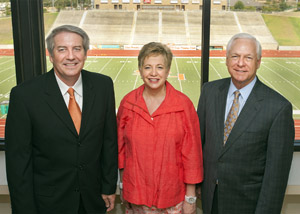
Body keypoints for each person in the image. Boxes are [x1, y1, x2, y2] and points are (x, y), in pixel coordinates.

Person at [5, 25, 118, 214]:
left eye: (77, 48)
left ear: (85, 53)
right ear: (50, 54)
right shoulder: (25, 95)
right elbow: (18, 164)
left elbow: (109, 141)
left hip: (93, 200)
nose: (71, 56)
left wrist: (108, 186)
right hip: (48, 205)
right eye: (62, 49)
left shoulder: (103, 86)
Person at [197, 33, 295, 214]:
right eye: (235, 56)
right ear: (226, 60)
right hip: (210, 199)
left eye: (248, 58)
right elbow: (198, 145)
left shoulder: (278, 108)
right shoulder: (209, 92)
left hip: (248, 205)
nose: (240, 63)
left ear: (258, 62)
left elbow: (276, 178)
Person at [117, 42, 203, 214]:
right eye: (148, 67)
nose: (154, 73)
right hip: (136, 196)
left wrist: (190, 197)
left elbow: (192, 154)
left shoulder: (183, 105)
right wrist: (122, 185)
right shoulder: (128, 103)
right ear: (140, 70)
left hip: (173, 197)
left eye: (160, 67)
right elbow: (120, 149)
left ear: (168, 70)